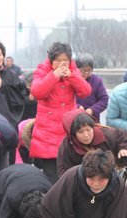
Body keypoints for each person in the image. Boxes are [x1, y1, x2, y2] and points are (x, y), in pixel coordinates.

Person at [29, 42, 92, 183]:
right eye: (57, 60)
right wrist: (54, 75)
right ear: (51, 61)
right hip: (48, 132)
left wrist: (72, 76)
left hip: (68, 130)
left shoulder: (73, 71)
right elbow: (37, 92)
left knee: (72, 177)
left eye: (65, 60)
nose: (62, 64)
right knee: (52, 178)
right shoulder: (42, 70)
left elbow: (86, 91)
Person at [57, 109, 127, 177]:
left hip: (113, 176)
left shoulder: (106, 133)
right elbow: (63, 171)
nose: (86, 135)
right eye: (80, 132)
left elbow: (124, 135)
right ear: (73, 134)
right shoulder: (67, 146)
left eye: (88, 130)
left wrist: (123, 148)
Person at [75, 53, 109, 123]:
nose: (85, 73)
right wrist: (78, 107)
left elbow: (104, 99)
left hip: (93, 119)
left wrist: (92, 110)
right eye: (82, 70)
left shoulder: (97, 81)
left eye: (89, 70)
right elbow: (66, 100)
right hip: (74, 118)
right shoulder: (72, 80)